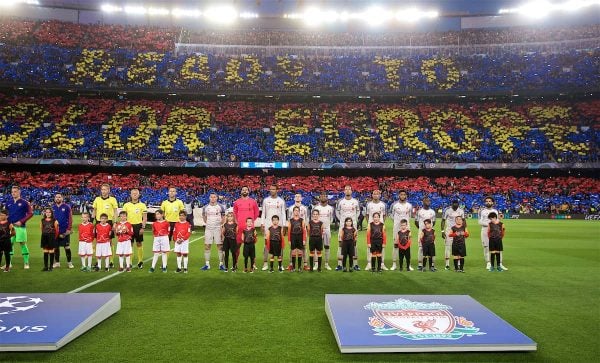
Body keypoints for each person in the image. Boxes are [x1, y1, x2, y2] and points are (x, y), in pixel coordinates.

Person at [3, 185, 33, 270]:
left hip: (21, 227)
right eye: (12, 192)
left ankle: (26, 263)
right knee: (9, 245)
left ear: (19, 192)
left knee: (22, 244)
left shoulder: (25, 202)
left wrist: (21, 221)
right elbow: (5, 215)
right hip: (10, 227)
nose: (13, 193)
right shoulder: (8, 203)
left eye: (15, 191)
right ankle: (8, 264)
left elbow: (31, 213)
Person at [92, 183, 118, 269]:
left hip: (109, 222)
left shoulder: (113, 199)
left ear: (108, 190)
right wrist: (92, 222)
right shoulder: (97, 199)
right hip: (99, 222)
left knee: (109, 242)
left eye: (105, 189)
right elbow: (94, 211)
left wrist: (115, 222)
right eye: (102, 189)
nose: (103, 191)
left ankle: (111, 261)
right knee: (97, 241)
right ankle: (97, 261)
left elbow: (115, 212)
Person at [261, 184, 286, 271]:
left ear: (277, 190)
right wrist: (262, 224)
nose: (272, 190)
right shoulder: (266, 200)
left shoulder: (281, 201)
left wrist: (284, 226)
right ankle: (265, 263)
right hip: (268, 226)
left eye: (273, 189)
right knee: (266, 244)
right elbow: (263, 213)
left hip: (279, 227)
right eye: (270, 189)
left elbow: (283, 214)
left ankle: (280, 264)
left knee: (280, 245)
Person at [478, 196, 508, 270]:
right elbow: (479, 221)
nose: (488, 202)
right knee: (486, 247)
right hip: (485, 230)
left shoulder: (495, 211)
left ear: (492, 202)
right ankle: (488, 263)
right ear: (485, 202)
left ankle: (500, 263)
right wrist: (489, 224)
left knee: (498, 247)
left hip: (495, 231)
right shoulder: (482, 211)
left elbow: (497, 221)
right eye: (487, 201)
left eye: (489, 201)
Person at [233, 186, 259, 266]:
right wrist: (238, 222)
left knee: (251, 247)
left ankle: (253, 264)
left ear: (248, 191)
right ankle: (235, 263)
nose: (244, 191)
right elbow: (234, 213)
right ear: (241, 192)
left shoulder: (253, 202)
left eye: (246, 190)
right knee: (237, 246)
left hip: (250, 228)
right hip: (239, 228)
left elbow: (256, 213)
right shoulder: (236, 202)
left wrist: (250, 223)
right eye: (243, 190)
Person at [335, 185, 360, 271]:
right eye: (346, 189)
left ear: (351, 191)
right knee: (340, 244)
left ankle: (355, 264)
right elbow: (337, 212)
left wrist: (354, 220)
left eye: (349, 189)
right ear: (344, 191)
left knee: (354, 244)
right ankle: (339, 264)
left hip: (353, 226)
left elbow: (358, 212)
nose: (348, 191)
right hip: (343, 226)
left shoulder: (355, 201)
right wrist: (341, 220)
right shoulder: (340, 201)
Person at [122, 188, 147, 269]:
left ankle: (140, 261)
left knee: (139, 243)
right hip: (128, 226)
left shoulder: (142, 205)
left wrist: (143, 227)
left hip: (138, 226)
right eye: (133, 193)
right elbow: (123, 217)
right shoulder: (126, 205)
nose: (135, 194)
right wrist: (124, 227)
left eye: (136, 193)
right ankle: (130, 262)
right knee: (130, 245)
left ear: (139, 195)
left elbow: (145, 218)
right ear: (131, 195)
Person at [201, 193, 226, 271]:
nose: (213, 198)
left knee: (220, 246)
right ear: (209, 198)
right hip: (208, 229)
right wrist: (208, 223)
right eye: (211, 197)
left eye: (214, 197)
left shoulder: (220, 206)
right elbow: (204, 217)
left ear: (217, 198)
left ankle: (221, 264)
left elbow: (223, 217)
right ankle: (207, 264)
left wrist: (221, 225)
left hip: (218, 228)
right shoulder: (205, 207)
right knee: (207, 246)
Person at [365, 190, 388, 271]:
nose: (375, 195)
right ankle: (369, 263)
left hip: (380, 226)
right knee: (370, 245)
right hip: (371, 226)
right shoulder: (369, 204)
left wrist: (381, 224)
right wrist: (369, 224)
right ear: (372, 195)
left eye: (377, 194)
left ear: (380, 195)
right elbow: (367, 215)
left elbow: (385, 215)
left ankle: (382, 264)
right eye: (374, 194)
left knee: (382, 245)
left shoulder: (383, 204)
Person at [390, 190, 412, 271]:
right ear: (399, 195)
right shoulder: (394, 205)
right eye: (401, 194)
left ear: (406, 196)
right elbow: (390, 214)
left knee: (408, 246)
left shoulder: (409, 205)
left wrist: (405, 225)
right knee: (395, 245)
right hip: (396, 228)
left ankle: (408, 265)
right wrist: (396, 222)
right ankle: (394, 264)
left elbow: (409, 216)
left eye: (404, 194)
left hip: (406, 228)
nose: (402, 196)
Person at [441, 199, 465, 270]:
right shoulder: (447, 210)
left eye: (456, 203)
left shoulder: (461, 211)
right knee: (448, 247)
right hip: (449, 231)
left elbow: (463, 221)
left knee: (459, 247)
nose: (455, 204)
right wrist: (442, 231)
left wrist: (464, 230)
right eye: (453, 203)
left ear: (458, 204)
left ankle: (458, 264)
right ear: (451, 204)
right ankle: (447, 264)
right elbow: (443, 220)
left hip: (459, 231)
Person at [287, 193, 308, 271]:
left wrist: (305, 233)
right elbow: (289, 219)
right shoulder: (290, 208)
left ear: (301, 198)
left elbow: (306, 219)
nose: (298, 197)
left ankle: (304, 264)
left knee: (303, 248)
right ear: (294, 198)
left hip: (301, 232)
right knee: (292, 249)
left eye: (299, 196)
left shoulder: (304, 208)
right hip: (293, 233)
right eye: (296, 196)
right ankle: (291, 264)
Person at [312, 192, 334, 270]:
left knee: (327, 247)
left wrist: (326, 226)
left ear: (327, 197)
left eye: (325, 196)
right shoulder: (316, 208)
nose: (323, 197)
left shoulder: (330, 208)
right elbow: (313, 218)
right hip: (317, 230)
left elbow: (331, 219)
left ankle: (326, 264)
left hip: (327, 229)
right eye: (321, 196)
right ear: (319, 197)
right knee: (316, 247)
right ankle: (316, 263)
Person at [52, 193, 73, 269]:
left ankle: (69, 263)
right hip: (55, 231)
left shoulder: (67, 207)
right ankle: (57, 262)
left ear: (62, 198)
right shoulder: (52, 207)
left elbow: (70, 219)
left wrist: (69, 229)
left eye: (59, 197)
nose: (58, 198)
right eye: (56, 197)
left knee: (67, 247)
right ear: (55, 198)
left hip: (64, 231)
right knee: (56, 247)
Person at [415, 197, 436, 271]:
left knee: (432, 249)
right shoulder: (419, 211)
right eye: (426, 200)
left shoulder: (432, 212)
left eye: (429, 200)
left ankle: (432, 265)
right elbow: (416, 222)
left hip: (430, 234)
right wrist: (422, 230)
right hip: (422, 233)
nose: (428, 202)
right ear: (423, 202)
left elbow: (434, 222)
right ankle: (420, 265)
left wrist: (429, 230)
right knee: (421, 248)